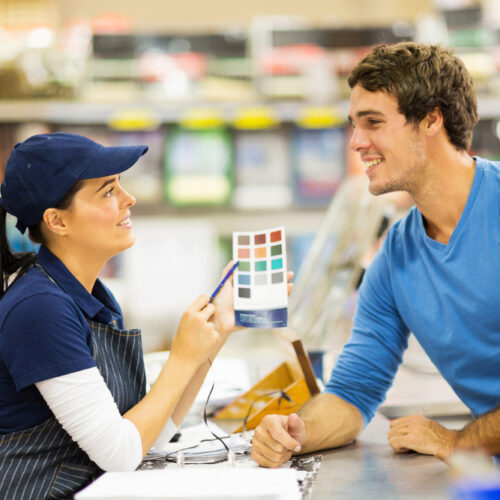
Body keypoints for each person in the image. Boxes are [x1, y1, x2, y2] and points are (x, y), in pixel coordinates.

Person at [0, 132, 293, 500]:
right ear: (58, 221)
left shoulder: (90, 296)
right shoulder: (40, 310)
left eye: (121, 185)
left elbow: (152, 434)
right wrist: (183, 355)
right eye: (108, 192)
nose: (129, 198)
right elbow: (120, 452)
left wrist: (216, 330)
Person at [251, 41, 500, 468]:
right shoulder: (396, 257)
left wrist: (458, 442)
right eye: (354, 124)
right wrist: (296, 431)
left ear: (431, 120)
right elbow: (353, 391)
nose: (355, 142)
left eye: (373, 123)